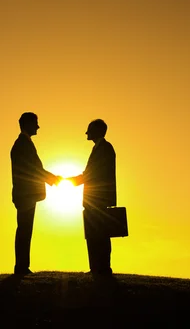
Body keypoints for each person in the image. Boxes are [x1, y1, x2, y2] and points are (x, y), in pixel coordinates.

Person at [10, 112, 59, 275]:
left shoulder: (24, 143)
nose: (38, 126)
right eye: (35, 123)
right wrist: (52, 179)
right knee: (24, 230)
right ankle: (21, 267)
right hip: (25, 195)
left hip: (26, 194)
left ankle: (22, 266)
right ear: (28, 124)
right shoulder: (23, 144)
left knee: (25, 229)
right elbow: (34, 169)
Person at [68, 119, 116, 276]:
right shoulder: (100, 148)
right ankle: (96, 267)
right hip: (94, 199)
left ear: (98, 130)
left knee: (100, 233)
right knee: (94, 233)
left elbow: (93, 174)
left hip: (98, 199)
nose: (87, 132)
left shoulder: (105, 148)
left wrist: (74, 180)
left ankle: (102, 267)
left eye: (89, 129)